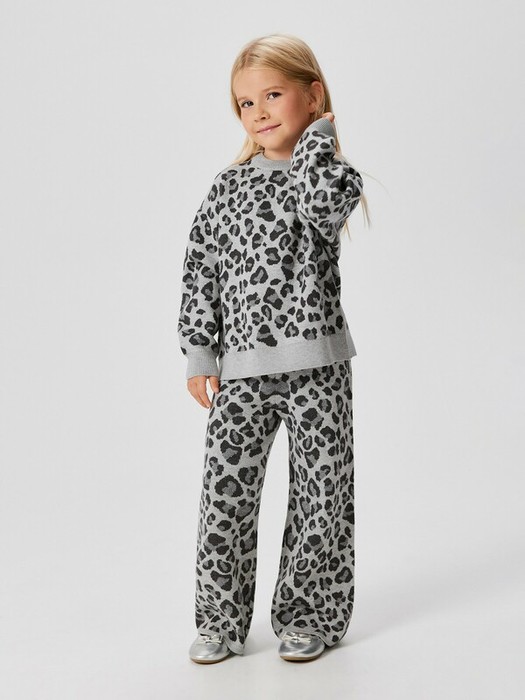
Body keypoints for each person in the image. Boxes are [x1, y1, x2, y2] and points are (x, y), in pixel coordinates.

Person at [177, 33, 369, 664]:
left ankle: (309, 615)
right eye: (245, 103)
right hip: (242, 374)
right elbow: (201, 269)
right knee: (225, 499)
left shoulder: (331, 177)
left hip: (319, 369)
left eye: (273, 95)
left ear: (312, 96)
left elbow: (320, 209)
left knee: (321, 500)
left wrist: (318, 140)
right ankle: (219, 620)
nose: (257, 112)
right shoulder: (227, 188)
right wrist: (200, 352)